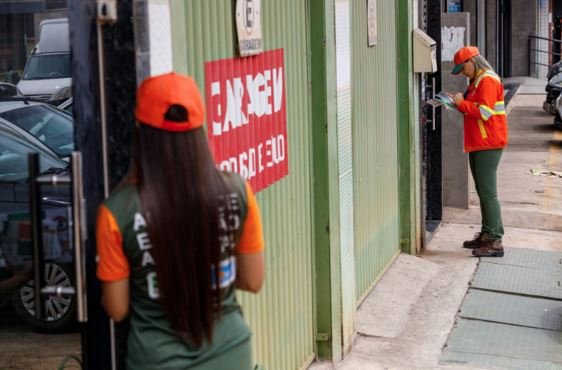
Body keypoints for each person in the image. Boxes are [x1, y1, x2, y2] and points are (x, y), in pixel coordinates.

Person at [96, 72, 265, 370]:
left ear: (139, 131)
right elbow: (253, 280)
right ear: (200, 131)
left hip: (158, 361)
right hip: (231, 353)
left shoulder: (116, 213)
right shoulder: (238, 191)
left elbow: (117, 308)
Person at [451, 46, 508, 258]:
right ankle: (487, 234)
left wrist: (461, 104)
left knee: (488, 193)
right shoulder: (478, 80)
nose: (462, 73)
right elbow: (475, 107)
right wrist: (458, 103)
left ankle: (495, 240)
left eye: (463, 68)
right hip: (480, 142)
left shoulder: (488, 80)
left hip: (488, 142)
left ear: (472, 61)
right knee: (483, 191)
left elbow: (484, 112)